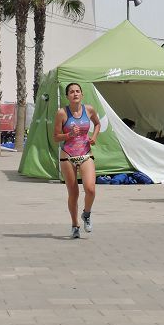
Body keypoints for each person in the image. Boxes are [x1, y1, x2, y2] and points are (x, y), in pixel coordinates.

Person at [53, 83, 101, 238]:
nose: (75, 94)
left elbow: (98, 124)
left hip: (86, 153)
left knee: (90, 188)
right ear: (67, 96)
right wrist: (68, 135)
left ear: (82, 94)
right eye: (72, 92)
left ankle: (86, 214)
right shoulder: (62, 113)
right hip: (68, 155)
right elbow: (55, 137)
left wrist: (93, 137)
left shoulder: (89, 110)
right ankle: (75, 225)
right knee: (73, 193)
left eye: (77, 91)